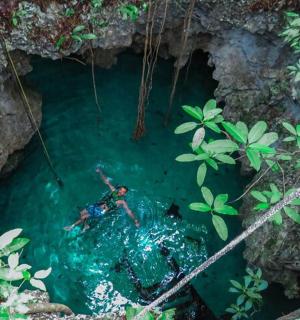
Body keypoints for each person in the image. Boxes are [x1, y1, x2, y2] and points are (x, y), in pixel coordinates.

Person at [64, 168, 140, 231]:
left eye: (123, 192)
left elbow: (129, 211)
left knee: (84, 216)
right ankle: (86, 225)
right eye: (120, 190)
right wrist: (100, 172)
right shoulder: (114, 191)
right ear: (119, 189)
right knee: (82, 212)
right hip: (97, 205)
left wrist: (135, 220)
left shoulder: (122, 202)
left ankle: (72, 226)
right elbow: (107, 181)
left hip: (102, 211)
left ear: (124, 194)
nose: (120, 192)